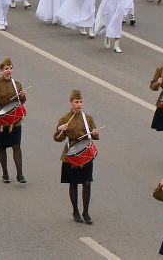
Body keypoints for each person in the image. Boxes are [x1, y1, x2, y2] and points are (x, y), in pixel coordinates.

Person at [54, 89, 100, 223]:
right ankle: (75, 210)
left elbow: (94, 136)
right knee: (73, 183)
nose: (79, 104)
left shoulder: (88, 118)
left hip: (85, 153)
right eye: (76, 102)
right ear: (71, 103)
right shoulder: (64, 119)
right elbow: (57, 138)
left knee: (87, 183)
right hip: (72, 154)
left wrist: (94, 132)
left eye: (80, 102)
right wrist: (60, 130)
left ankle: (86, 212)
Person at [0, 57, 27, 184]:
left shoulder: (17, 84)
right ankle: (5, 173)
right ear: (1, 70)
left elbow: (20, 102)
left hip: (14, 119)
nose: (9, 71)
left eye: (10, 68)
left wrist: (23, 97)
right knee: (2, 147)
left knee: (16, 145)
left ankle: (20, 174)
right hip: (1, 119)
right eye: (6, 68)